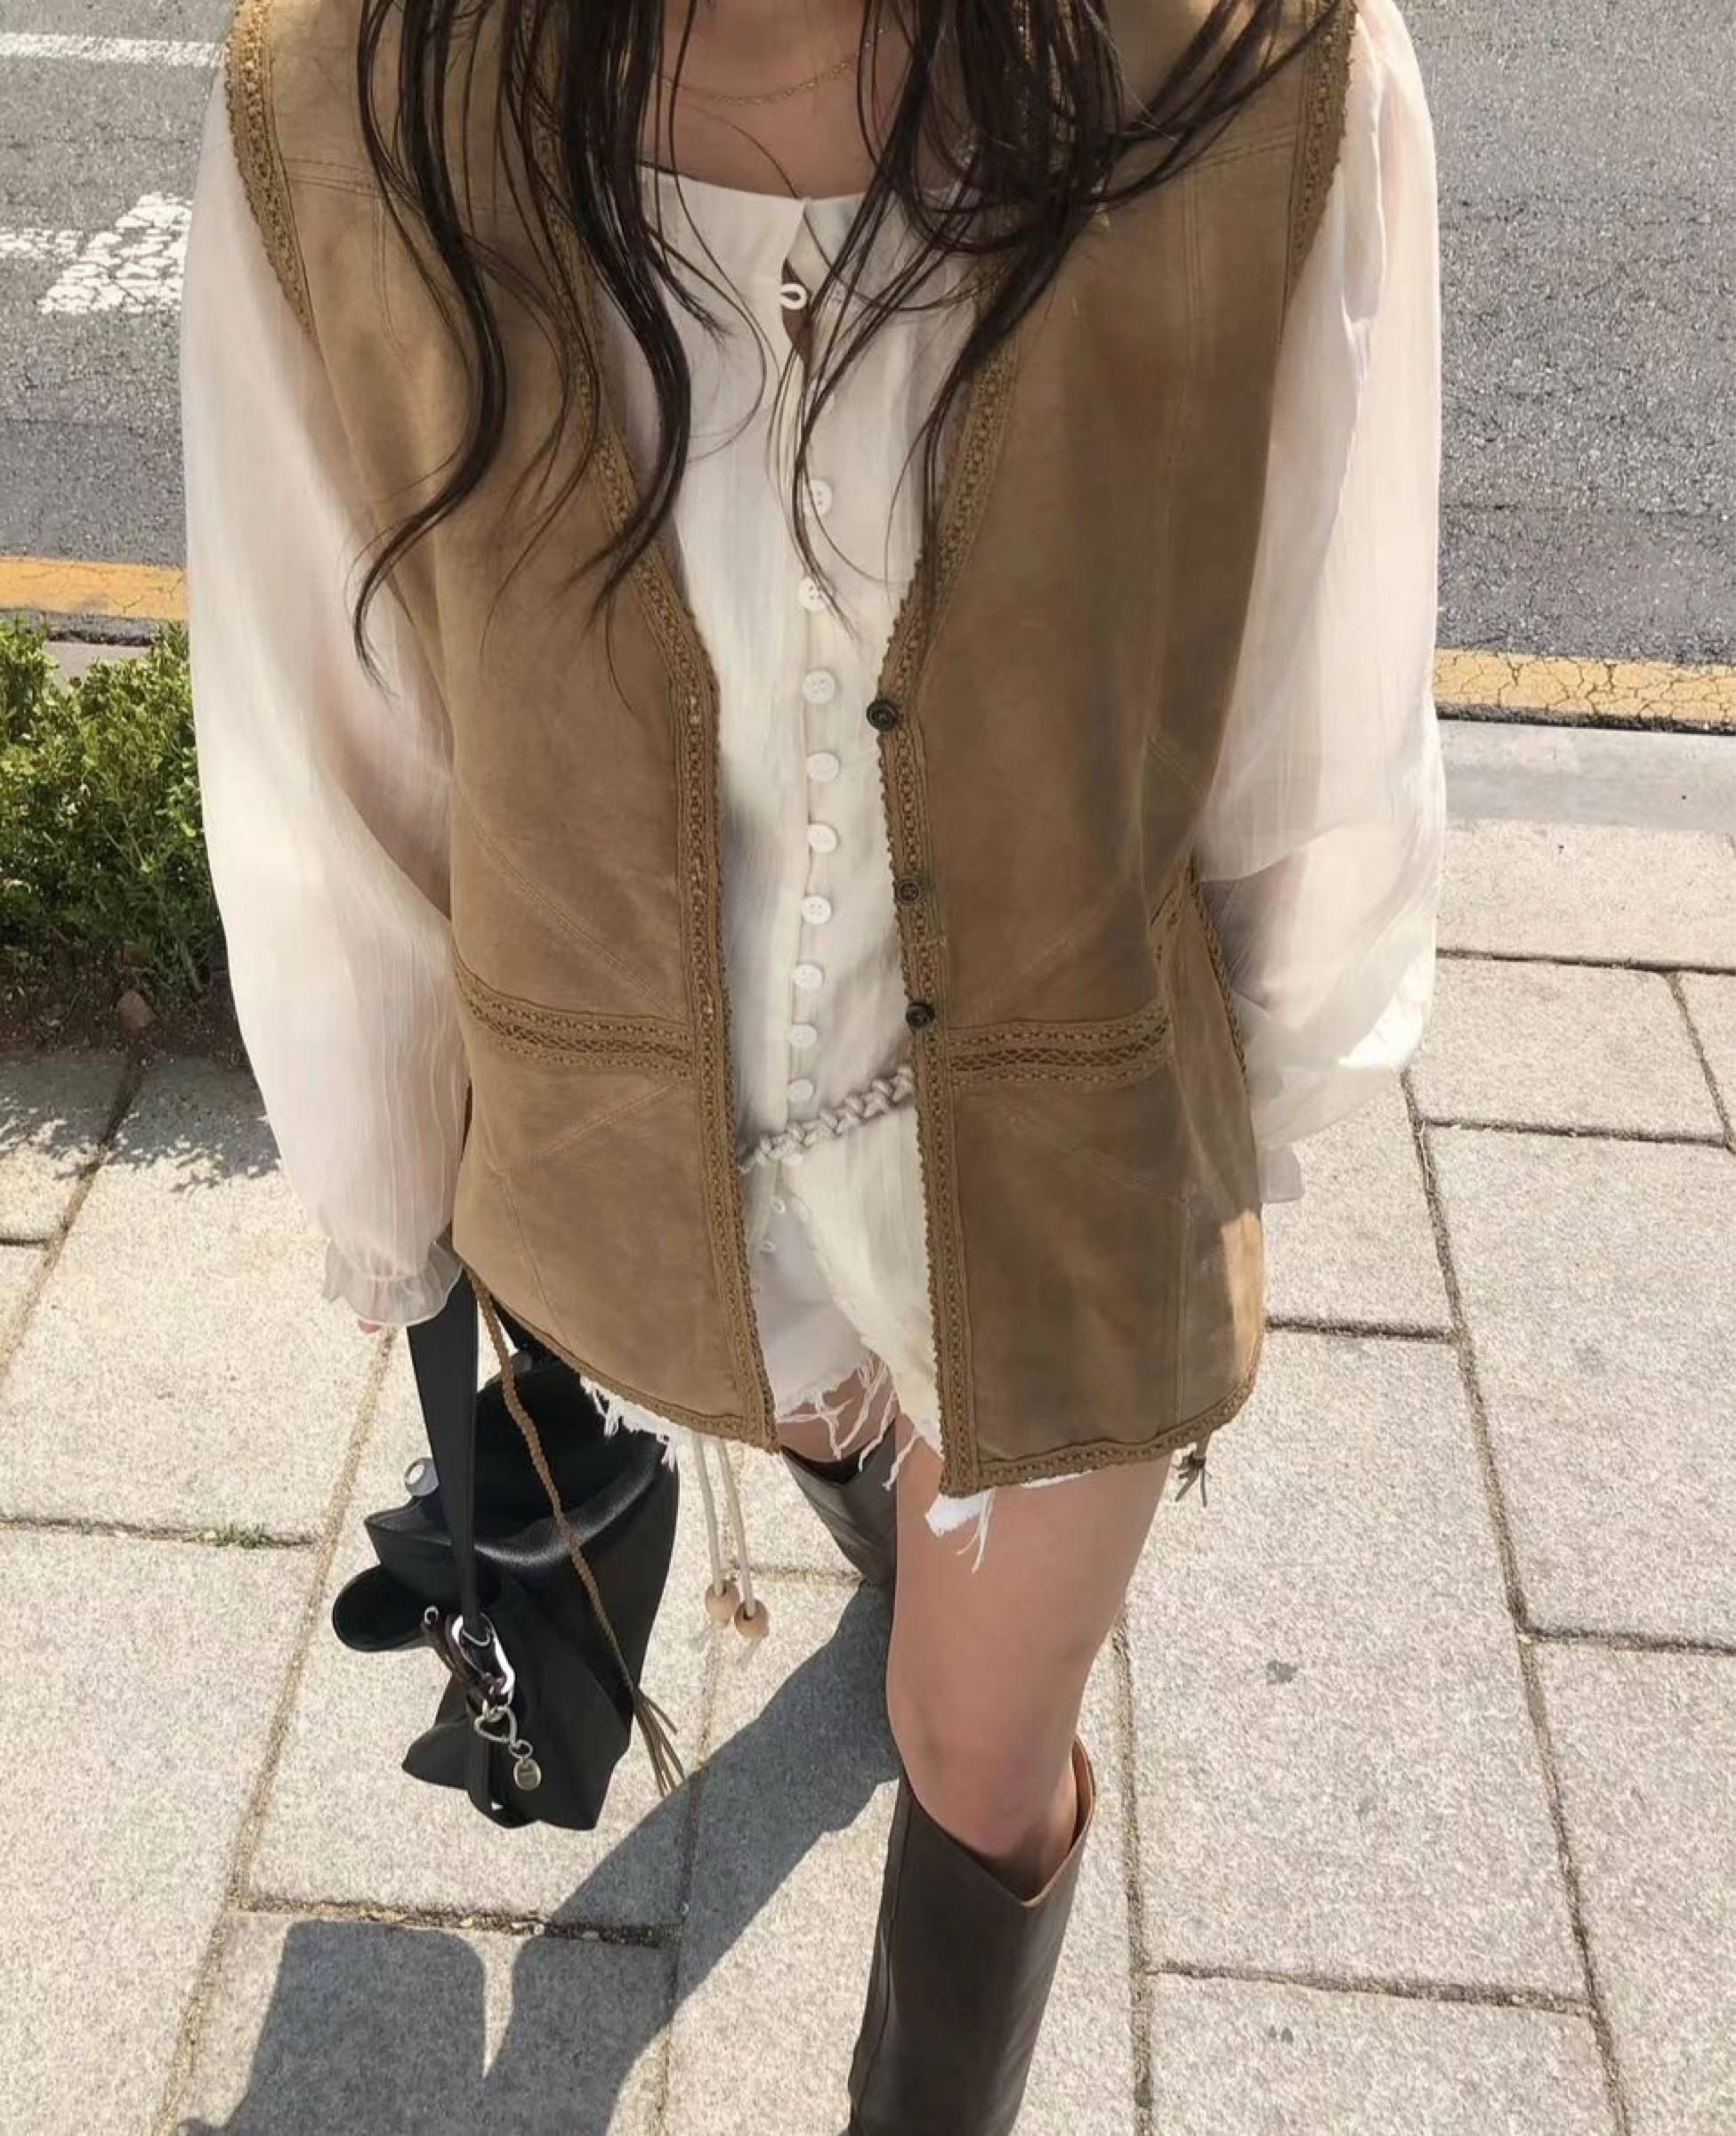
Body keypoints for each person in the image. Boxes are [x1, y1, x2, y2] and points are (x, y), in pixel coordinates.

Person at [180, 0, 1443, 2121]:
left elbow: (1304, 705)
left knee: (978, 1757)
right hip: (642, 1143)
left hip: (1069, 1141)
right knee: (814, 1401)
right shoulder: (346, 95)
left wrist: (1242, 1113)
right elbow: (343, 745)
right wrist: (388, 1179)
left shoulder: (1256, 72)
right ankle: (870, 1471)